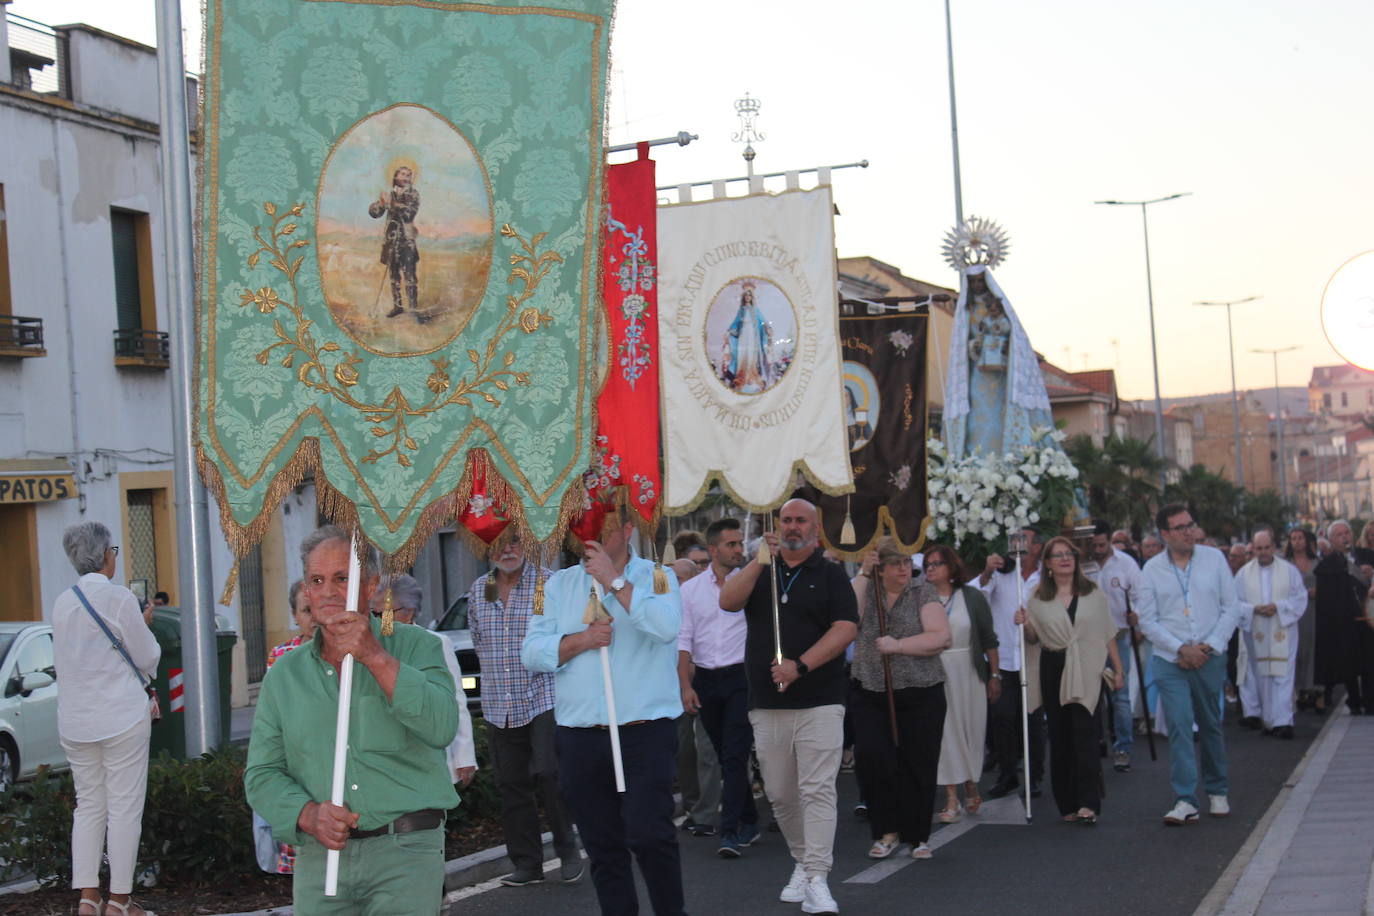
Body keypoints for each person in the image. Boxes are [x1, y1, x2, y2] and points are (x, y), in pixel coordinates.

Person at [246, 526, 458, 915]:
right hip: (321, 858)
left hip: (406, 852)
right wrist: (308, 815)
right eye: (317, 580)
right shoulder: (284, 675)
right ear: (306, 591)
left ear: (370, 586)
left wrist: (376, 657)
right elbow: (262, 775)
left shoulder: (417, 647)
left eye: (342, 578)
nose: (328, 591)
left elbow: (441, 726)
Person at [521, 506, 685, 916]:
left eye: (603, 528)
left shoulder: (659, 576)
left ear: (627, 530)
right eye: (582, 528)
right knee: (602, 846)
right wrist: (580, 640)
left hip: (645, 731)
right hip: (581, 735)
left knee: (650, 835)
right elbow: (532, 651)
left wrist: (613, 580)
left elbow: (665, 628)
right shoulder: (555, 585)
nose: (589, 537)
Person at [719, 498, 857, 915]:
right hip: (766, 703)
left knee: (816, 790)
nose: (792, 527)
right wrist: (761, 560)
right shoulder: (761, 570)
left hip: (820, 700)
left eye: (801, 521)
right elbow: (728, 601)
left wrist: (801, 665)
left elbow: (846, 627)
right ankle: (803, 861)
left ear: (816, 529)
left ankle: (817, 876)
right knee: (780, 794)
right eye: (786, 520)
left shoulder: (831, 574)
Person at [52, 522, 161, 916]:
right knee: (124, 809)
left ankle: (87, 898)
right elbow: (148, 657)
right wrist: (144, 625)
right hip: (120, 718)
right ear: (105, 555)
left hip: (75, 721)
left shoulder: (63, 602)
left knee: (89, 807)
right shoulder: (118, 599)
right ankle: (119, 902)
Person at [467, 540, 582, 887]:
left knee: (550, 772)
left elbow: (566, 638)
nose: (506, 550)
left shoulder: (550, 584)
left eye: (514, 541)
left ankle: (568, 850)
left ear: (527, 544)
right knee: (511, 784)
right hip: (498, 701)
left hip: (544, 695)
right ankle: (528, 864)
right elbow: (479, 642)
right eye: (498, 544)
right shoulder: (479, 589)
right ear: (486, 549)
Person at [846, 540, 950, 861]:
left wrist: (899, 645)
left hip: (921, 692)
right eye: (894, 564)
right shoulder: (865, 589)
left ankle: (918, 835)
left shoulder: (923, 592)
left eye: (906, 562)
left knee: (918, 762)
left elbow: (940, 637)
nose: (903, 569)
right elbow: (847, 618)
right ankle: (885, 831)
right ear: (880, 568)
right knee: (874, 760)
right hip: (870, 691)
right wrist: (863, 573)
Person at [1136, 504, 1239, 826]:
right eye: (1179, 527)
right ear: (1164, 534)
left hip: (1209, 654)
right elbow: (1147, 621)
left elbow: (1231, 608)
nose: (1188, 532)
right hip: (1170, 658)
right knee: (1179, 725)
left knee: (1210, 723)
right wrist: (1181, 648)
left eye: (1190, 525)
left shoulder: (1214, 559)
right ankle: (1185, 799)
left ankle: (1217, 789)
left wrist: (1207, 647)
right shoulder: (1151, 569)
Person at [1017, 537, 1122, 825]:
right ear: (1048, 564)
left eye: (1069, 554)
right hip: (1054, 665)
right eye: (1058, 555)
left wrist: (1118, 668)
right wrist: (1024, 623)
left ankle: (1089, 803)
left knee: (1086, 735)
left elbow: (1107, 633)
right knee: (1061, 737)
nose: (1065, 559)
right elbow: (1033, 638)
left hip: (1087, 667)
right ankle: (1067, 803)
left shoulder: (1093, 593)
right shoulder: (1039, 599)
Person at [679, 517, 760, 858]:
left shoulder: (750, 583)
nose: (738, 550)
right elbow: (684, 639)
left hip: (741, 677)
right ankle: (750, 817)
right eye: (731, 544)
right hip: (707, 680)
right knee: (724, 750)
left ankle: (729, 832)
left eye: (740, 544)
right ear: (713, 550)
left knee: (733, 754)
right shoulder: (690, 591)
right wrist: (685, 685)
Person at [371, 575, 477, 786]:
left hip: (428, 750)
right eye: (374, 613)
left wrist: (464, 756)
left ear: (409, 612)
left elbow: (455, 701)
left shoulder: (436, 643)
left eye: (385, 613)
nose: (379, 620)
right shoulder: (369, 647)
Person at [921, 544, 998, 825]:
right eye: (928, 564)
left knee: (971, 731)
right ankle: (951, 797)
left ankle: (971, 785)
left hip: (969, 671)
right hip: (936, 671)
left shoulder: (972, 597)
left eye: (937, 564)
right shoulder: (921, 598)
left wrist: (995, 675)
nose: (931, 569)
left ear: (951, 568)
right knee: (945, 733)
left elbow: (989, 639)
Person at [979, 527, 1046, 800]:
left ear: (1037, 546)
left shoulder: (1045, 577)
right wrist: (987, 571)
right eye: (1014, 539)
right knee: (1003, 719)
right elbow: (979, 593)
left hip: (1033, 659)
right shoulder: (1001, 574)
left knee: (1032, 720)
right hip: (1004, 659)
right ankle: (1008, 774)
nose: (1017, 544)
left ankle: (1034, 776)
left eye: (1025, 539)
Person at [255, 580, 315, 876]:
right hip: (296, 763)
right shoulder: (280, 656)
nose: (314, 617)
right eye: (306, 610)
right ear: (294, 615)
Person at [1234, 528, 1307, 739]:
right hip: (1256, 629)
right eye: (1259, 548)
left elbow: (1299, 598)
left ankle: (1284, 721)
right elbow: (1234, 602)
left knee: (1283, 673)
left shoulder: (1289, 570)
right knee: (1262, 675)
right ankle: (1269, 720)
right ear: (1253, 549)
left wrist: (1279, 607)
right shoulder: (1243, 574)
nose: (1263, 552)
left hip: (1282, 628)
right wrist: (1254, 609)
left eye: (1267, 547)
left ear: (1273, 547)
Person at [1089, 521, 1143, 773]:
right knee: (1091, 695)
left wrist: (1137, 615)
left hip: (1118, 635)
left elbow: (1141, 595)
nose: (1098, 549)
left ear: (1109, 540)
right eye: (1094, 545)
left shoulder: (1126, 564)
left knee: (1120, 694)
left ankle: (1123, 746)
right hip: (1090, 638)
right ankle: (1096, 741)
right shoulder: (1083, 564)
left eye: (1102, 544)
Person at [1313, 520, 1374, 714]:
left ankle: (1371, 701)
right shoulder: (1327, 565)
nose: (1344, 537)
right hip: (1344, 620)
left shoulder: (1367, 556)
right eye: (1339, 534)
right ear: (1331, 540)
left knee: (1369, 661)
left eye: (1346, 532)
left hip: (1368, 618)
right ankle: (1354, 701)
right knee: (1348, 662)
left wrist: (1371, 574)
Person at [368, 164, 421, 319]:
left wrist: (391, 203)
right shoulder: (390, 194)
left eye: (409, 175)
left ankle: (413, 311)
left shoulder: (414, 194)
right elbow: (374, 213)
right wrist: (381, 204)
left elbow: (409, 214)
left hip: (406, 242)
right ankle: (397, 307)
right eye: (403, 174)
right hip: (391, 241)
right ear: (395, 177)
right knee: (394, 276)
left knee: (410, 276)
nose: (406, 178)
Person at [1284, 528, 1321, 713]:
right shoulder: (1285, 564)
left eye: (1300, 538)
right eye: (1293, 538)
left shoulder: (1317, 562)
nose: (1297, 542)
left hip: (1313, 610)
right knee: (1295, 649)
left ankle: (1313, 689)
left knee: (1312, 647)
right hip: (1294, 612)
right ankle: (1296, 690)